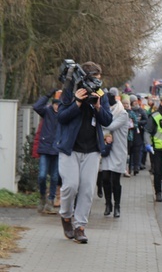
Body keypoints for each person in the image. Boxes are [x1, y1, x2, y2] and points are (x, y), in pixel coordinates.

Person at [56, 61, 113, 244]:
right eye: (94, 79)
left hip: (92, 150)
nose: (97, 82)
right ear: (84, 78)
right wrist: (78, 102)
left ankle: (80, 227)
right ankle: (66, 216)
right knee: (70, 186)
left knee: (87, 189)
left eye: (99, 79)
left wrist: (97, 106)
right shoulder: (70, 90)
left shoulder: (101, 93)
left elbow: (107, 120)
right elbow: (61, 117)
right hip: (70, 148)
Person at [100, 94, 129, 218]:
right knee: (105, 178)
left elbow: (110, 125)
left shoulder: (122, 114)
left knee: (115, 180)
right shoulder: (105, 112)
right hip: (107, 150)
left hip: (118, 151)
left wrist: (97, 120)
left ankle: (117, 206)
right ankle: (108, 204)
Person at [33, 89, 61, 214]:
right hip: (45, 148)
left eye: (59, 104)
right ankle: (43, 196)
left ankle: (51, 199)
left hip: (57, 149)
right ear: (52, 103)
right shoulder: (47, 111)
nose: (57, 107)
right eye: (55, 104)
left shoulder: (64, 114)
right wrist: (47, 94)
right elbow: (36, 106)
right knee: (42, 175)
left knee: (55, 177)